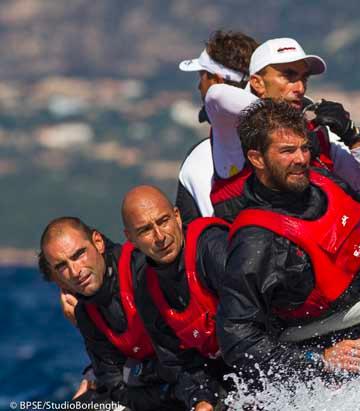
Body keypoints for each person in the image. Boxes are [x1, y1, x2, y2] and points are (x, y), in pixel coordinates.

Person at [216, 99, 360, 387]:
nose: (300, 158)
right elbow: (237, 338)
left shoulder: (325, 181)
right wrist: (320, 359)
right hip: (340, 367)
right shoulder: (255, 242)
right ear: (257, 158)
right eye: (287, 151)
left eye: (304, 147)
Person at [178, 36, 360, 223]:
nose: (300, 87)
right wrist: (282, 118)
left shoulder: (317, 133)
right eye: (289, 75)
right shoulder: (231, 131)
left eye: (304, 78)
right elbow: (216, 95)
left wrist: (353, 135)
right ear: (257, 83)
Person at [38, 217, 178, 410]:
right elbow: (116, 385)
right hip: (159, 393)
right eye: (62, 267)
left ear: (98, 242)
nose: (75, 271)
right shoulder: (86, 313)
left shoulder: (142, 271)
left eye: (79, 254)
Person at [122, 185, 232, 411]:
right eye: (145, 230)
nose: (160, 237)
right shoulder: (146, 289)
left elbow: (264, 320)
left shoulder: (212, 249)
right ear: (131, 239)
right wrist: (201, 398)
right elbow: (177, 362)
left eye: (163, 221)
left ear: (177, 216)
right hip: (222, 375)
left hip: (272, 359)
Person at [176, 30, 259, 222]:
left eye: (202, 76)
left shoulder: (199, 156)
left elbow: (217, 95)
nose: (199, 86)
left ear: (217, 80)